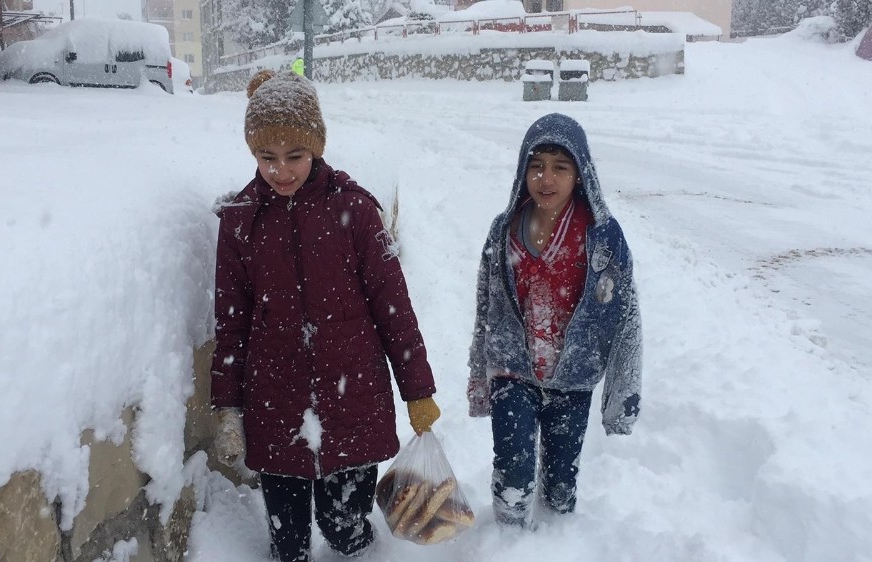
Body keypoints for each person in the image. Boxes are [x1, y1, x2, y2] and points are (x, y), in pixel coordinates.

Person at [210, 69, 441, 562]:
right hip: (276, 406)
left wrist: (417, 390)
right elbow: (230, 324)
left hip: (351, 399)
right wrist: (229, 406)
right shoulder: (241, 221)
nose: (282, 170)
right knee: (288, 544)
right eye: (266, 157)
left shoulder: (354, 211)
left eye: (295, 155)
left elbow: (392, 306)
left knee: (345, 530)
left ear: (317, 147)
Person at [467, 112, 642, 528]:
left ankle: (559, 539)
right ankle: (507, 544)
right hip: (514, 373)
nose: (547, 178)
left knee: (562, 483)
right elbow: (484, 306)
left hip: (573, 379)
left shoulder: (602, 237)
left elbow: (627, 318)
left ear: (580, 173)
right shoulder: (503, 231)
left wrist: (622, 397)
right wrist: (479, 375)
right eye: (537, 166)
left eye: (560, 167)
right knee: (513, 472)